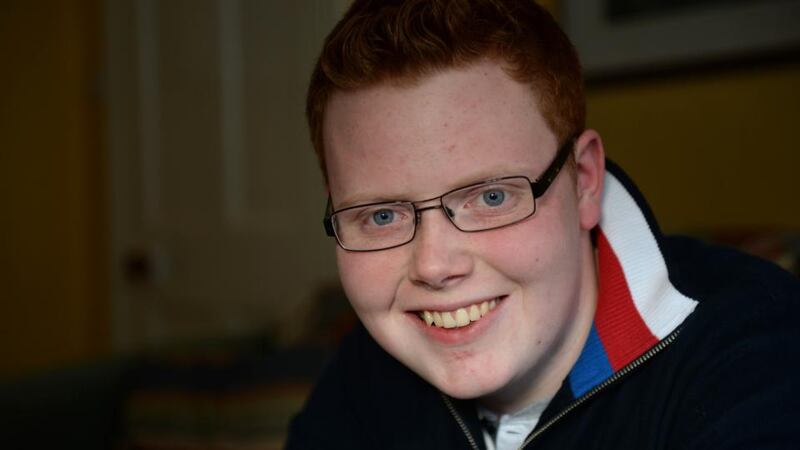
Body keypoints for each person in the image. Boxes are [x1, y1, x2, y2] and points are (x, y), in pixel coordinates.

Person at [287, 1, 800, 448]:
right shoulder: (366, 371)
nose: (434, 266)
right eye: (381, 216)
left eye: (490, 197)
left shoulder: (758, 354)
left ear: (584, 182)